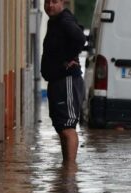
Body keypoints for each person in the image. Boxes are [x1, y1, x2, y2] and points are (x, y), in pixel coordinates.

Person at [42, 0, 86, 163]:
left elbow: (80, 38)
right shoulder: (54, 22)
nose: (50, 6)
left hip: (66, 80)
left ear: (62, 3)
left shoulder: (64, 20)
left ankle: (70, 170)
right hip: (57, 81)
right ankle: (66, 168)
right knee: (61, 126)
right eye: (47, 2)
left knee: (68, 127)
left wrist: (68, 58)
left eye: (54, 2)